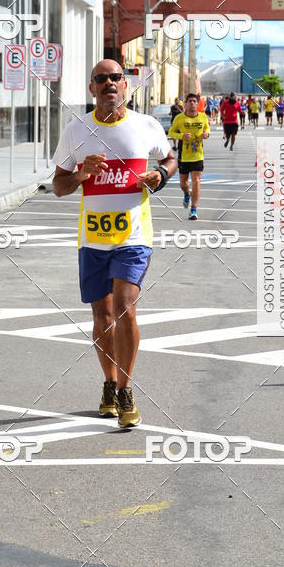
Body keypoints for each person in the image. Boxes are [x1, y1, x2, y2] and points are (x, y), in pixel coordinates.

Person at [52, 59, 177, 428]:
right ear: (92, 88)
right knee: (102, 317)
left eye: (116, 78)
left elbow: (170, 160)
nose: (109, 83)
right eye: (101, 79)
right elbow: (58, 185)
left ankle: (125, 390)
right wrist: (81, 174)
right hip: (92, 239)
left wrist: (161, 175)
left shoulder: (145, 125)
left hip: (133, 237)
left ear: (126, 85)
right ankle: (108, 383)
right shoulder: (76, 131)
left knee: (125, 308)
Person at [168, 92, 210, 221]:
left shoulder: (203, 117)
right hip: (184, 156)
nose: (192, 103)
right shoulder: (179, 118)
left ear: (198, 104)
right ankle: (187, 193)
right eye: (190, 101)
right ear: (185, 103)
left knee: (196, 181)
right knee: (183, 183)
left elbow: (207, 130)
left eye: (194, 101)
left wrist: (206, 135)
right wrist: (182, 136)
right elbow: (171, 132)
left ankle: (194, 210)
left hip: (198, 155)